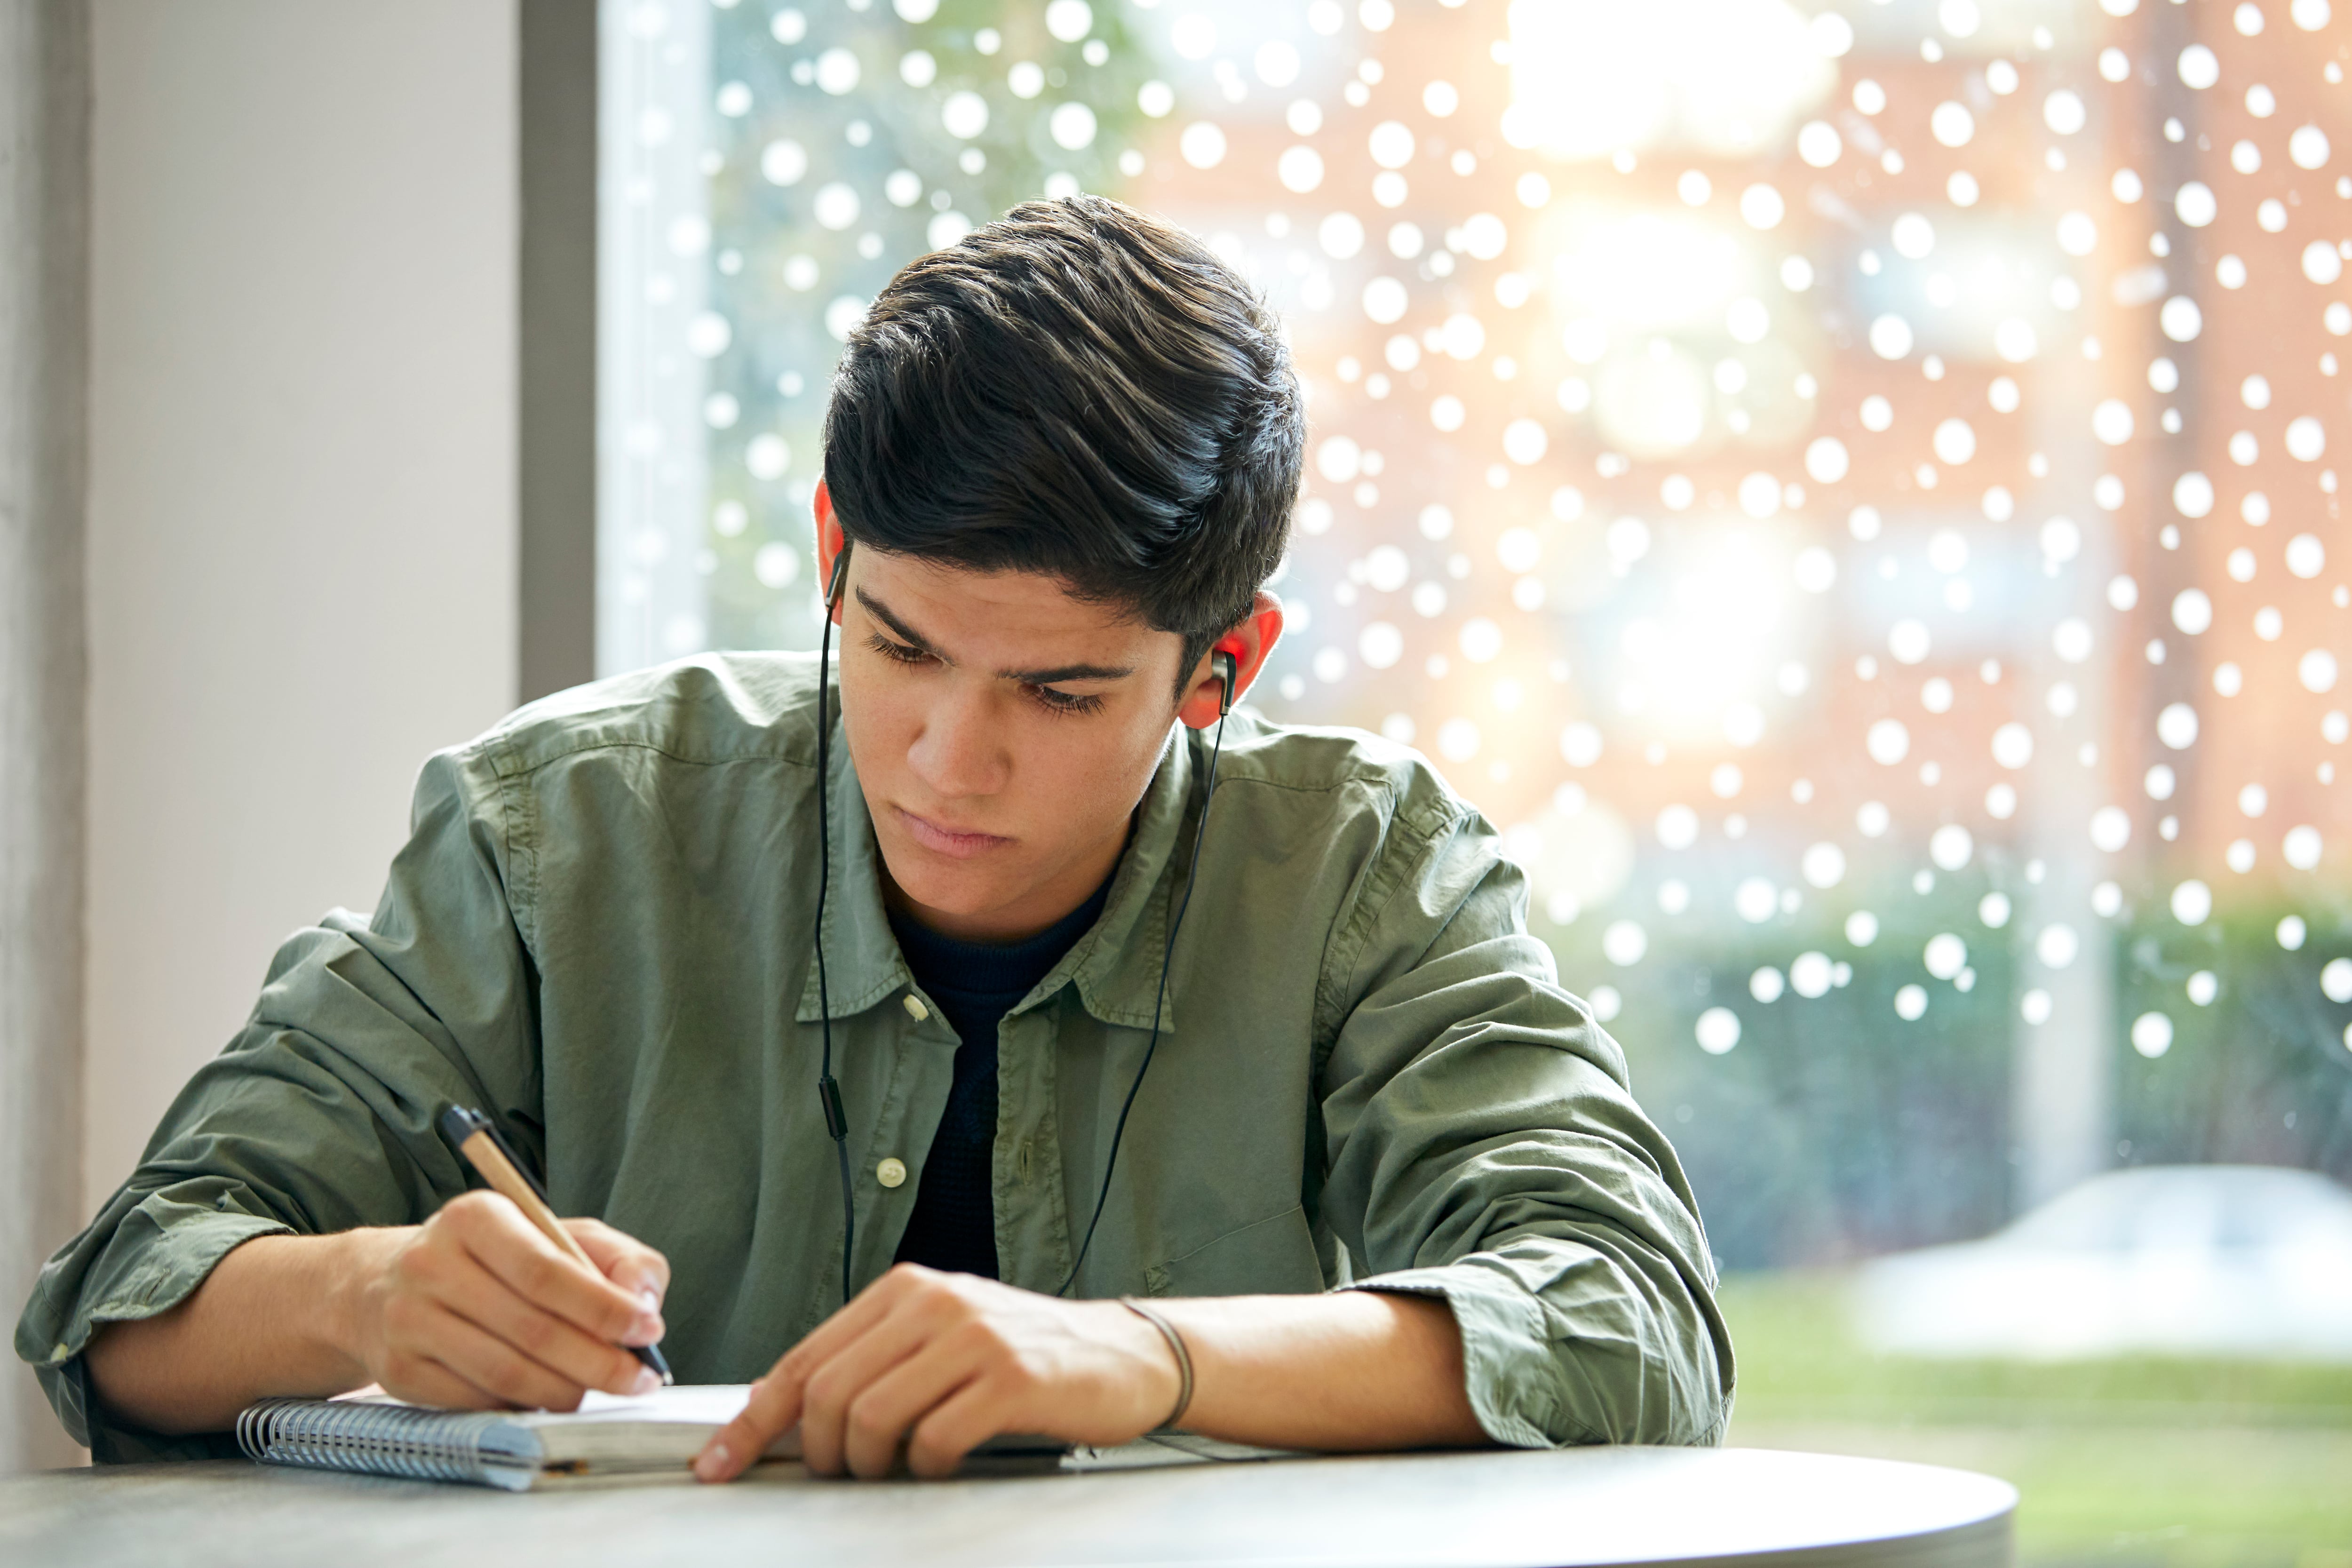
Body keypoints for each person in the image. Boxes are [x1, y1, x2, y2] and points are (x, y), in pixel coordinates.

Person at [17, 196, 1732, 1478]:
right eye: (898, 646)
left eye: (1060, 695)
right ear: (834, 545)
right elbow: (120, 1308)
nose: (950, 759)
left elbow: (1633, 1318)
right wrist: (368, 1298)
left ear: (1223, 669)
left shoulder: (1362, 875)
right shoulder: (567, 832)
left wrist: (1140, 1356)